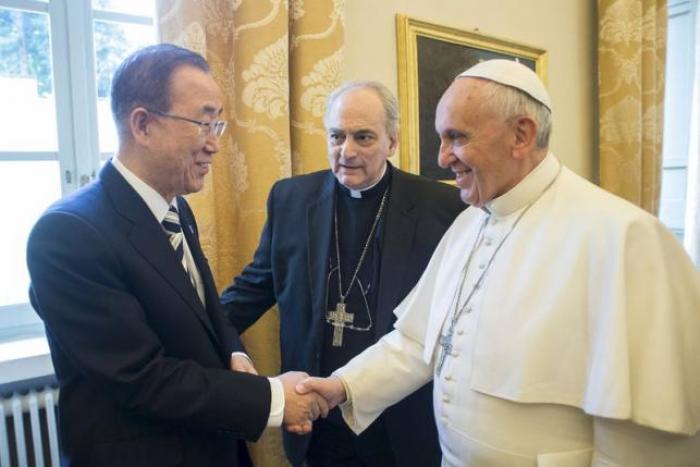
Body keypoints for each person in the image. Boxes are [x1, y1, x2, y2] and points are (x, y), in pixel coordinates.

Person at [297, 60, 700, 466]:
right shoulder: (470, 222)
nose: (441, 158)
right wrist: (343, 385)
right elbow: (420, 342)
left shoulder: (623, 237)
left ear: (521, 135)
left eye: (456, 137)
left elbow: (645, 441)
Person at [26, 44, 327, 467]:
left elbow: (202, 311)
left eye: (217, 125)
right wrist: (274, 398)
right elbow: (141, 378)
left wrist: (233, 353)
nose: (214, 145)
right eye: (203, 123)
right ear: (143, 125)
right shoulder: (68, 234)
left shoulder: (176, 209)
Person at [220, 81, 464, 466]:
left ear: (392, 141)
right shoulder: (291, 200)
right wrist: (219, 339)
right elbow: (252, 289)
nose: (346, 151)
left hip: (400, 423)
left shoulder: (442, 208)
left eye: (363, 137)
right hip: (317, 419)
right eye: (337, 136)